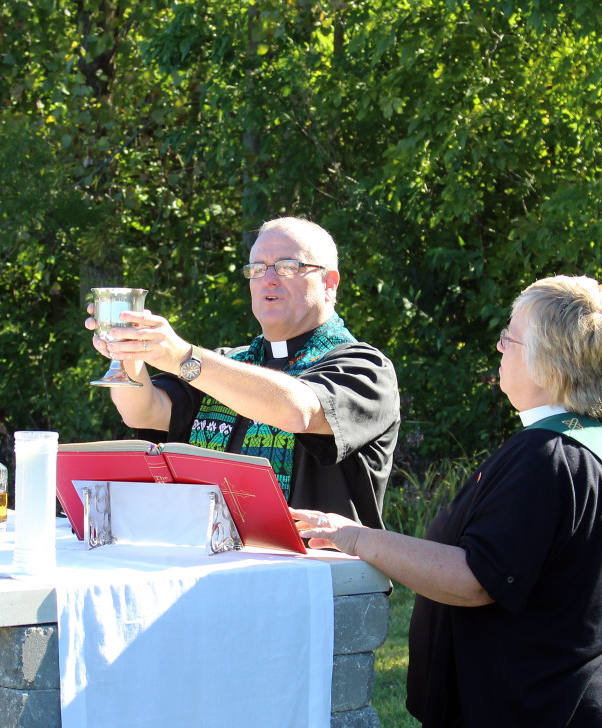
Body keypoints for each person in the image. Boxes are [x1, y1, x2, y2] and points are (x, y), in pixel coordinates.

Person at [292, 275, 602, 728]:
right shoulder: (593, 437)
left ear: (549, 361)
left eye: (511, 336)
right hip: (567, 699)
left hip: (531, 719)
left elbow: (475, 578)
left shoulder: (547, 457)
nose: (500, 347)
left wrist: (355, 538)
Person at [85, 216, 400, 528]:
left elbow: (295, 411)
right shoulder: (226, 364)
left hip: (322, 571)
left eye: (288, 266)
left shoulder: (364, 369)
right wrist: (128, 351)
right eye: (258, 269)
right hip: (221, 564)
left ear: (329, 283)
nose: (269, 279)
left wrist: (184, 358)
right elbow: (142, 412)